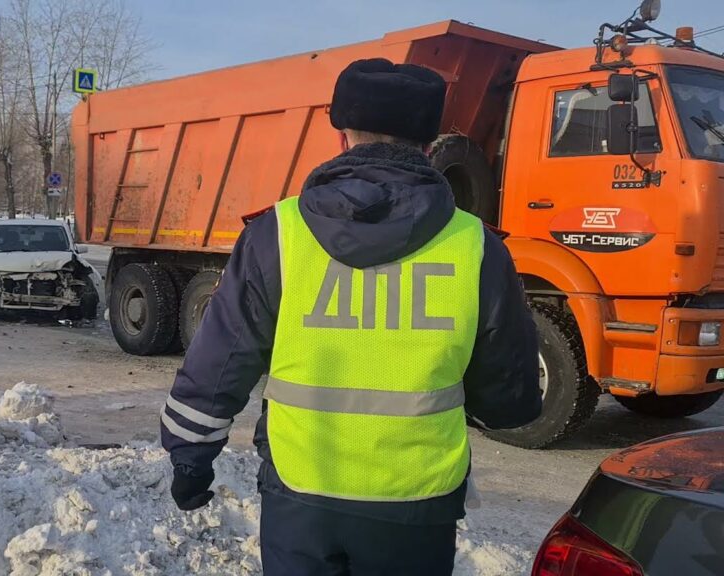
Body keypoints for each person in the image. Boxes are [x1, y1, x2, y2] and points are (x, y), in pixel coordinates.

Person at [160, 58, 542, 576]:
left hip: (301, 494)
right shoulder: (475, 247)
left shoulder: (279, 235)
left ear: (343, 139)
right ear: (429, 149)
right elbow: (512, 401)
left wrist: (190, 457)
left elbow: (221, 361)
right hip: (418, 502)